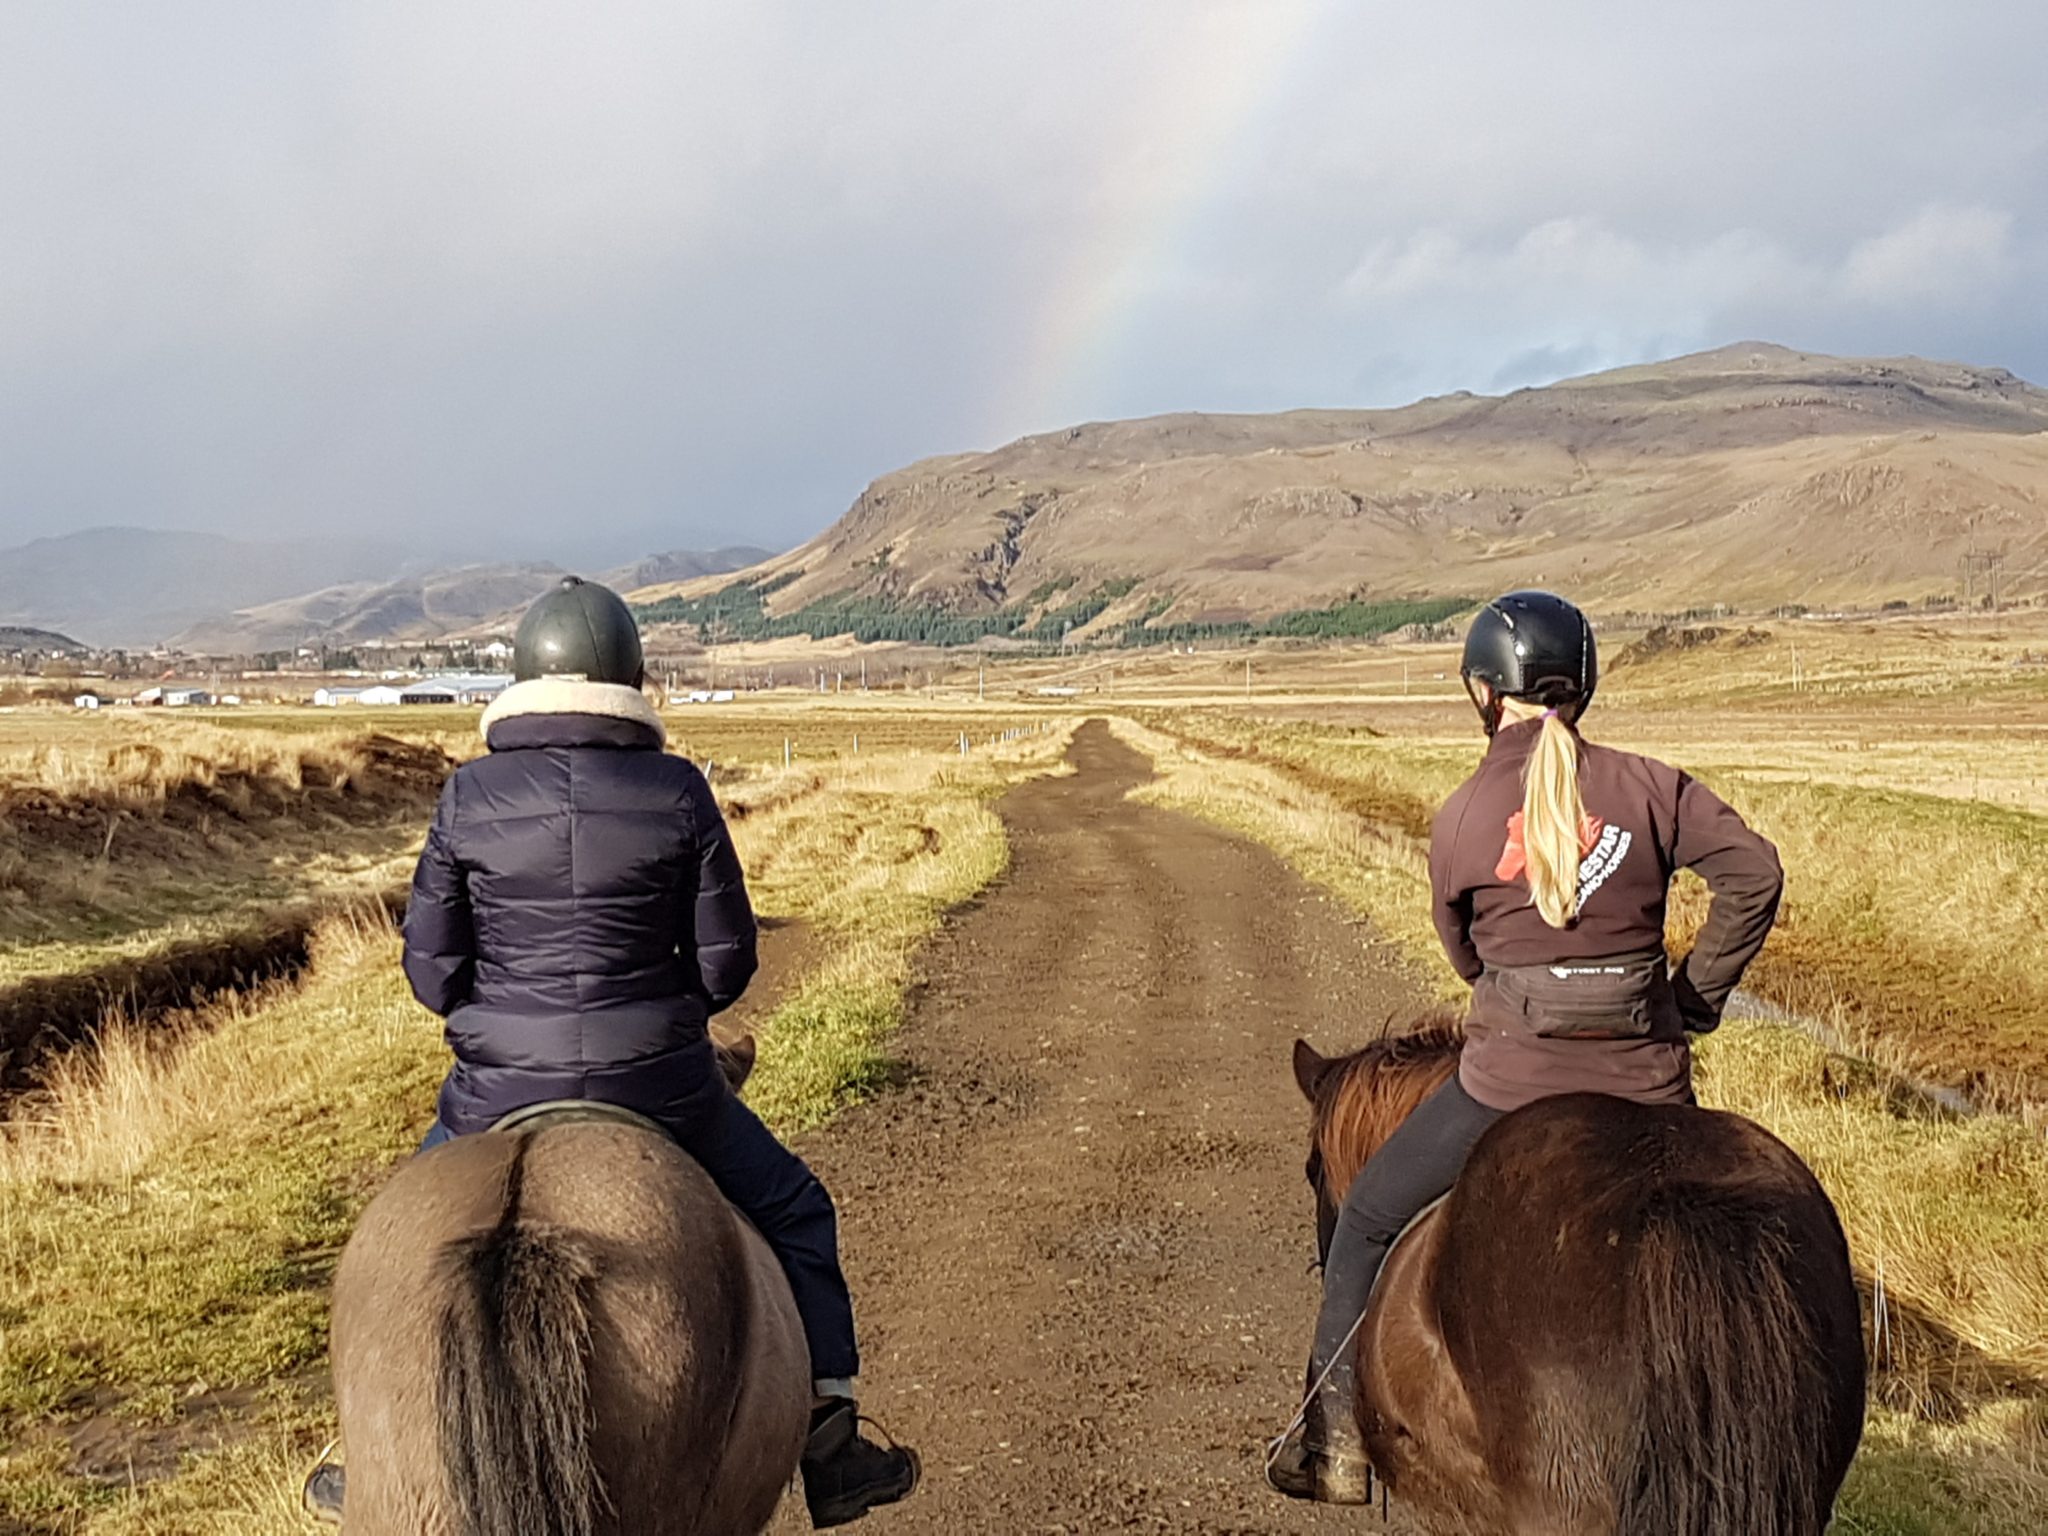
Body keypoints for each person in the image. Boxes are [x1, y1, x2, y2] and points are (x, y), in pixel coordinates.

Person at [305, 576, 918, 1530]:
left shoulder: (468, 794)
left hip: (494, 1088)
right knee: (797, 1209)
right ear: (633, 679)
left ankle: (364, 1457)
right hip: (661, 1083)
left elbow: (430, 969)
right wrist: (674, 1014)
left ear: (519, 678)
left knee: (390, 1260)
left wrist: (493, 1023)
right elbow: (728, 959)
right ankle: (832, 1443)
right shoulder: (677, 790)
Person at [1267, 589, 1784, 1504]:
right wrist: (1689, 1001)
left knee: (1367, 1223)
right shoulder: (1653, 786)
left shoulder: (1464, 814)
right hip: (1651, 1084)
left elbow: (1464, 953)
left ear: (1483, 694)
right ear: (1580, 685)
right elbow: (1755, 873)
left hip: (1505, 1088)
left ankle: (1334, 1442)